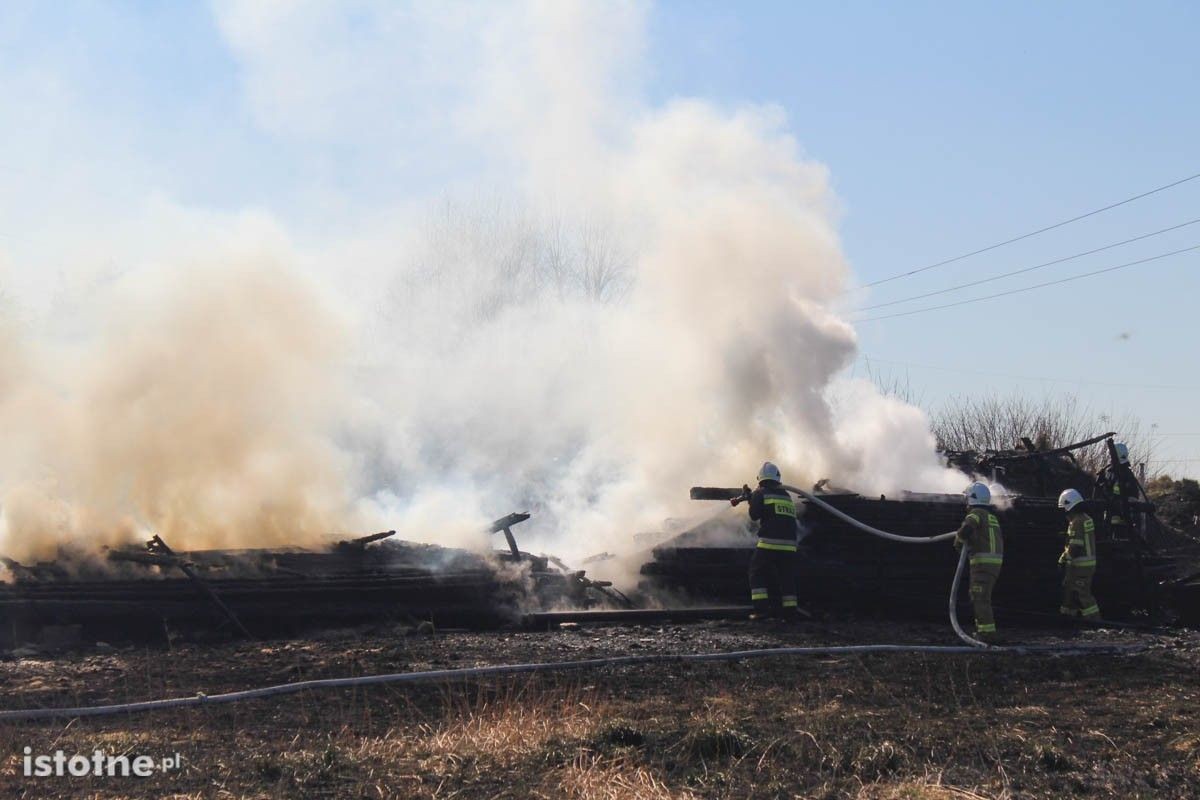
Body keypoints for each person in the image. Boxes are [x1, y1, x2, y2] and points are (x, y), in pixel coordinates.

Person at [732, 461, 800, 621]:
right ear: (777, 478)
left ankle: (761, 611)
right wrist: (751, 498)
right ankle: (790, 613)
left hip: (769, 543)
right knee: (787, 578)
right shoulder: (786, 495)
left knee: (756, 572)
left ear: (760, 479)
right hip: (790, 546)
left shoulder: (761, 493)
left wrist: (752, 499)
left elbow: (754, 515)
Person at [953, 482, 1003, 639]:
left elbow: (967, 529)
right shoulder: (991, 517)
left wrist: (958, 542)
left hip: (982, 564)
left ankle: (986, 634)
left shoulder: (976, 514)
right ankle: (984, 630)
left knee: (979, 597)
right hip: (993, 565)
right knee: (982, 596)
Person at [1057, 488, 1101, 620]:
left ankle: (1094, 620)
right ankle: (1068, 617)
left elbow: (1075, 546)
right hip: (1086, 564)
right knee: (1070, 591)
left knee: (1081, 593)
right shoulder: (1086, 518)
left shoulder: (1077, 522)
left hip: (1080, 565)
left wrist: (1064, 560)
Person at [1093, 441, 1142, 536]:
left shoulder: (1125, 474)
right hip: (1109, 516)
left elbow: (1133, 498)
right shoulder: (1109, 472)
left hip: (1122, 520)